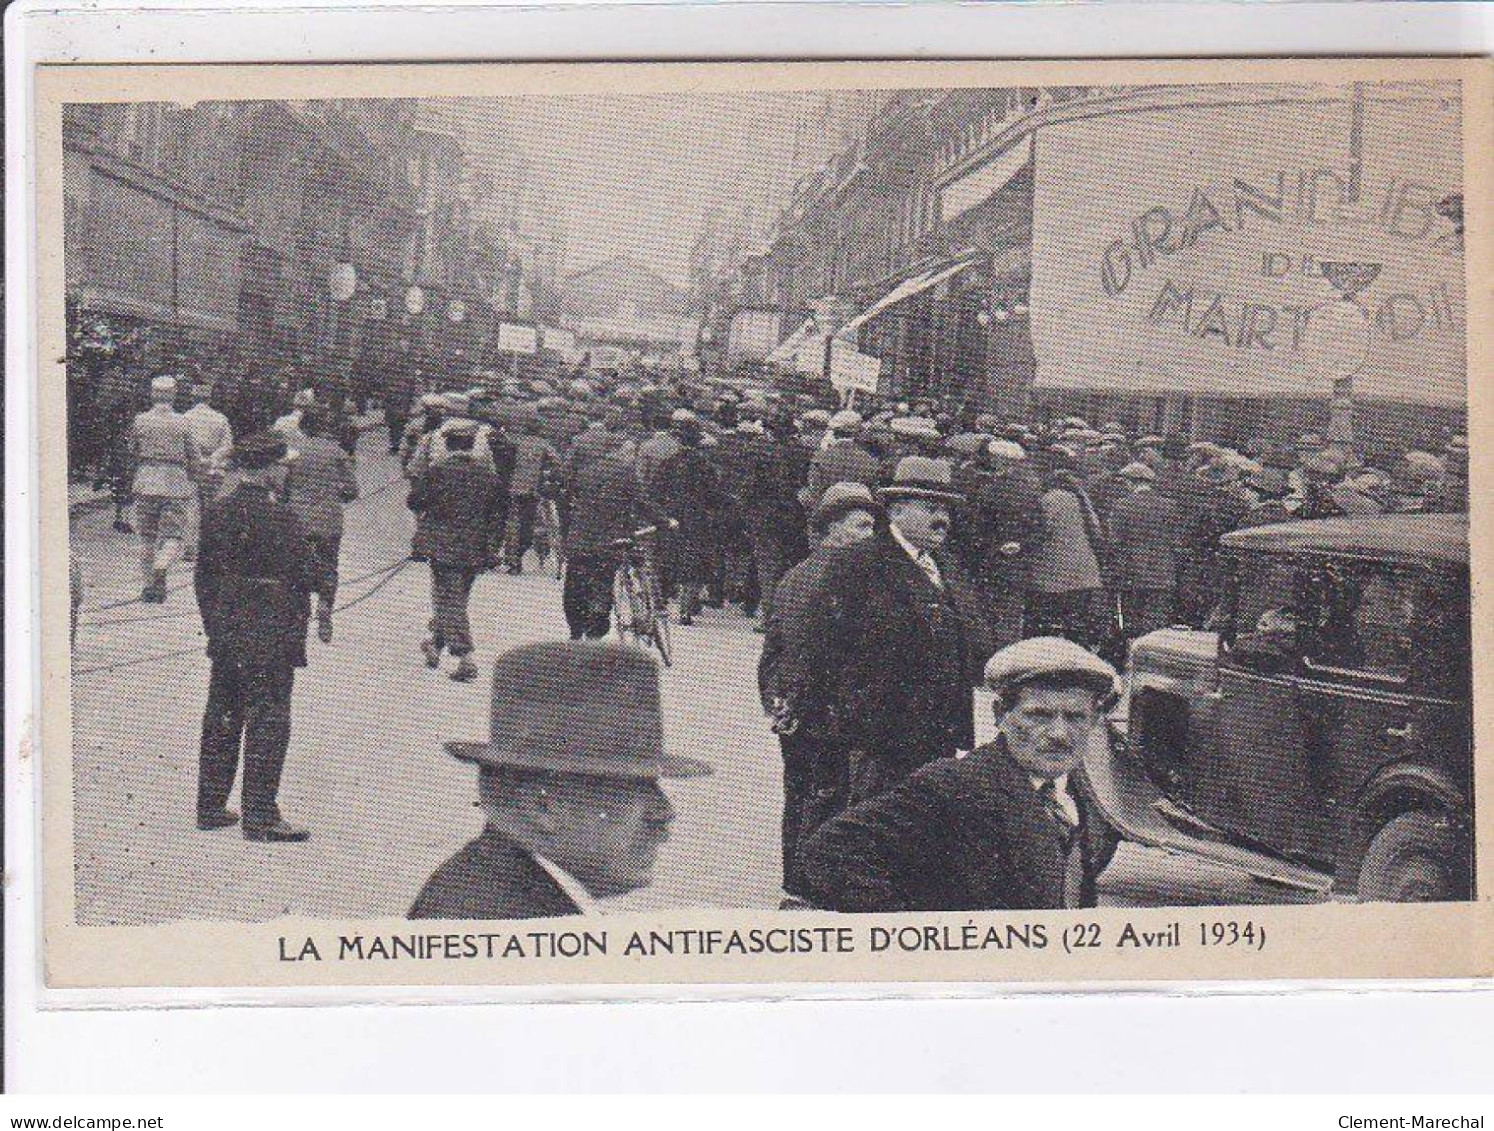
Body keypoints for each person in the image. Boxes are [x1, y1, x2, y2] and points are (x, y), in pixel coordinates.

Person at [799, 636, 1119, 912]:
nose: (1059, 734)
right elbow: (829, 851)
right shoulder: (954, 785)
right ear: (1000, 715)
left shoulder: (1075, 799)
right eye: (1039, 715)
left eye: (1076, 717)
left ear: (1093, 722)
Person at [410, 641, 711, 919]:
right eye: (635, 786)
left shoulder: (499, 893)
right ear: (543, 806)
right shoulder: (497, 924)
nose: (665, 811)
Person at [790, 456, 987, 809]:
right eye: (930, 507)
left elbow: (970, 636)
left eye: (945, 508)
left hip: (937, 734)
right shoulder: (858, 563)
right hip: (878, 739)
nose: (941, 518)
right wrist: (846, 727)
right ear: (896, 511)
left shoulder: (946, 566)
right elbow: (821, 651)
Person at [195, 432, 333, 842]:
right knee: (269, 719)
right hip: (272, 633)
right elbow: (308, 574)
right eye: (282, 467)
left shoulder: (217, 513)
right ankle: (260, 816)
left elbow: (204, 578)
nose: (285, 473)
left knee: (222, 715)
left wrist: (216, 625)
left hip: (229, 630)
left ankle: (210, 805)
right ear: (269, 469)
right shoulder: (285, 518)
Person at [758, 482, 883, 899]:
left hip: (795, 705)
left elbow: (772, 651)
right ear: (832, 528)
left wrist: (778, 701)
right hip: (822, 709)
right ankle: (807, 886)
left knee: (800, 794)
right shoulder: (838, 577)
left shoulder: (798, 573)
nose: (870, 535)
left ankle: (795, 880)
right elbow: (811, 650)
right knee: (825, 796)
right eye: (862, 526)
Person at [409, 421, 507, 682]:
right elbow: (499, 514)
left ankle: (466, 658)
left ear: (449, 444)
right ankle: (436, 644)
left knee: (449, 599)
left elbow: (415, 501)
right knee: (456, 597)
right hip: (476, 547)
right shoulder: (488, 475)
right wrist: (493, 547)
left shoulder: (438, 470)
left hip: (443, 545)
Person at [562, 433, 665, 641]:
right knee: (602, 582)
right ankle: (595, 631)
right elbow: (643, 502)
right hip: (608, 543)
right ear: (626, 453)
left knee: (575, 584)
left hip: (579, 539)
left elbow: (568, 498)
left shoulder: (586, 471)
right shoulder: (626, 474)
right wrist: (664, 521)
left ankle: (575, 630)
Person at [280, 407, 359, 632]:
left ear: (304, 427)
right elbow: (352, 490)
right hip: (328, 520)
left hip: (297, 520)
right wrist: (338, 493)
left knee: (294, 565)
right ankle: (325, 603)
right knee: (329, 565)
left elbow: (283, 486)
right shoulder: (338, 453)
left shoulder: (295, 452)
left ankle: (296, 612)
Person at [129, 375, 202, 602]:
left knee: (146, 538)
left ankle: (148, 587)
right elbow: (195, 457)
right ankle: (161, 566)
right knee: (174, 536)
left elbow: (132, 449)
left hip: (146, 481)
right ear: (173, 395)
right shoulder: (184, 422)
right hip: (175, 484)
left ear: (152, 394)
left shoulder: (140, 420)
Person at [654, 410, 729, 625]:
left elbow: (657, 489)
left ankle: (662, 602)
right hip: (697, 519)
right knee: (694, 563)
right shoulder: (705, 466)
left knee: (669, 558)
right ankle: (686, 608)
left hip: (673, 516)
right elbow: (714, 494)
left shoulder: (669, 462)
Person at [1027, 447, 1107, 647]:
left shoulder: (1050, 500)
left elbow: (1039, 532)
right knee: (1075, 628)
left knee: (1045, 629)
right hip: (1084, 572)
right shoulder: (1082, 498)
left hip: (1055, 575)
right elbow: (1097, 532)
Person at [1105, 461, 1180, 642]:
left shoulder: (1121, 506)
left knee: (1132, 623)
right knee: (1157, 622)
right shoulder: (1169, 506)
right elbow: (1176, 540)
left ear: (1131, 482)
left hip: (1132, 572)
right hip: (1163, 572)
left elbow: (1114, 542)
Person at [180, 382, 234, 562]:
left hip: (192, 468)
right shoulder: (220, 419)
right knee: (210, 507)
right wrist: (213, 459)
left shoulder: (185, 418)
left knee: (191, 507)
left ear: (193, 398)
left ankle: (190, 547)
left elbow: (182, 445)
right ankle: (207, 546)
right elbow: (227, 446)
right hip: (213, 469)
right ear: (210, 398)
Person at [801, 408, 879, 511]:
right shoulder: (870, 461)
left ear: (834, 432)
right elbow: (874, 494)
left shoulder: (820, 457)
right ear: (857, 432)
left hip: (827, 515)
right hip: (858, 514)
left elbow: (814, 493)